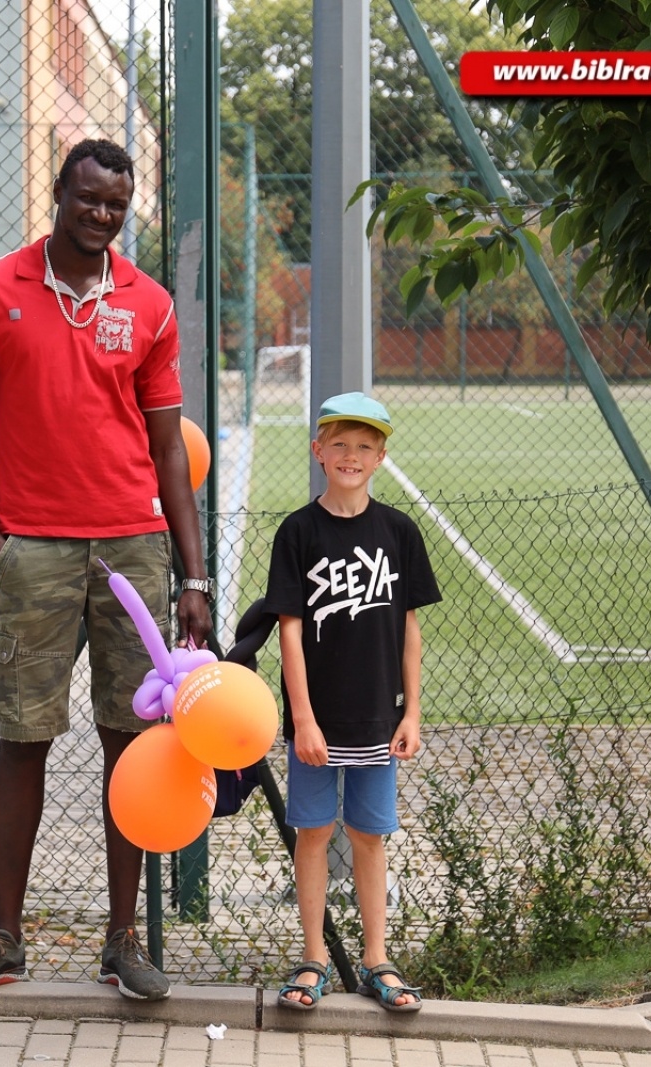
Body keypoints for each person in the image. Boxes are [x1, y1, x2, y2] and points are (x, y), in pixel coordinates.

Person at [0, 138, 213, 1001]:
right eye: (88, 198)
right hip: (36, 550)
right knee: (23, 737)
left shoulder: (152, 305)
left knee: (129, 745)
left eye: (117, 205)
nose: (102, 215)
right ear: (57, 191)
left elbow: (170, 448)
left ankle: (122, 940)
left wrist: (193, 577)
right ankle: (5, 939)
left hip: (134, 547)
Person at [263, 392, 439, 1013]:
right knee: (312, 834)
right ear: (318, 451)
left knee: (369, 836)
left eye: (364, 446)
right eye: (339, 444)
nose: (351, 456)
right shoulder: (298, 532)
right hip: (318, 721)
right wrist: (303, 717)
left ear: (382, 457)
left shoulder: (398, 532)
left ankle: (375, 961)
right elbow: (288, 630)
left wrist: (412, 711)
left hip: (378, 718)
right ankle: (312, 958)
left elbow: (411, 630)